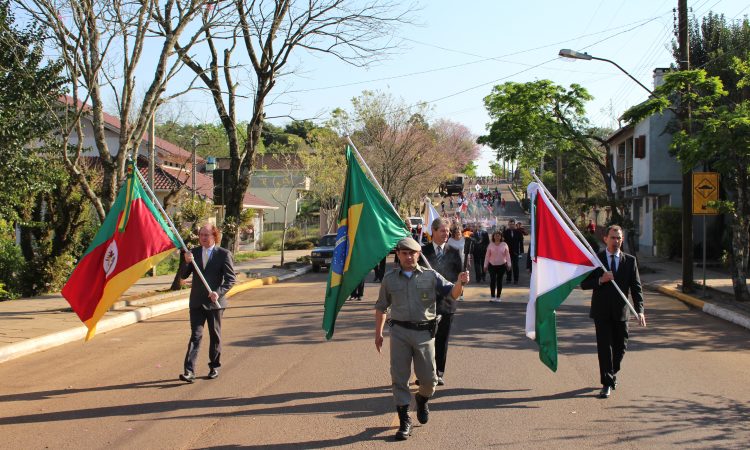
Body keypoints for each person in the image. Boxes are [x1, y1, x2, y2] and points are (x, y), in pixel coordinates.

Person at [375, 237, 469, 440]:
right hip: (399, 332)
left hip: (424, 334)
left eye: (412, 253)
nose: (408, 257)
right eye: (404, 253)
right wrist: (378, 333)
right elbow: (381, 306)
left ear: (418, 254)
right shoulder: (389, 279)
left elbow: (452, 293)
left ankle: (422, 398)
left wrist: (460, 282)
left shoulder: (430, 276)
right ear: (398, 255)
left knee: (429, 380)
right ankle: (404, 421)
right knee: (399, 378)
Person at [580, 225, 646, 399]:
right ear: (605, 239)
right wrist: (601, 279)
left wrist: (640, 310)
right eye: (613, 237)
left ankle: (611, 372)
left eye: (618, 238)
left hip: (621, 312)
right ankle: (606, 383)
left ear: (622, 240)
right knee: (604, 349)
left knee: (620, 347)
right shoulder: (597, 260)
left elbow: (636, 288)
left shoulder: (630, 261)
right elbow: (584, 283)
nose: (616, 241)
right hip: (601, 312)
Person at [179, 224, 236, 383]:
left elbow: (231, 280)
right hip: (196, 302)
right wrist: (186, 261)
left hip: (215, 303)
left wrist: (218, 292)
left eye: (206, 235)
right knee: (195, 336)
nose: (203, 237)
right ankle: (189, 371)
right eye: (201, 234)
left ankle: (214, 366)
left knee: (214, 335)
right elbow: (183, 274)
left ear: (214, 236)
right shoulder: (193, 253)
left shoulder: (223, 254)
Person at [421, 218, 462, 386]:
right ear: (434, 231)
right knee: (424, 341)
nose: (446, 234)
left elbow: (458, 278)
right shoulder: (422, 252)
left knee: (441, 339)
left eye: (447, 231)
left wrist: (462, 281)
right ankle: (424, 373)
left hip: (447, 303)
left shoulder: (454, 252)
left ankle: (438, 372)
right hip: (425, 304)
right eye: (442, 231)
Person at [483, 231, 511, 302]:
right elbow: (487, 256)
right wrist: (485, 265)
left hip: (502, 265)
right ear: (493, 237)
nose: (497, 237)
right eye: (496, 235)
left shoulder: (504, 244)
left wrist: (509, 264)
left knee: (499, 281)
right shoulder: (490, 245)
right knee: (492, 280)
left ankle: (498, 297)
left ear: (501, 237)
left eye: (499, 235)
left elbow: (508, 255)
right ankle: (492, 296)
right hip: (492, 265)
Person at [503, 219, 524, 285]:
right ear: (508, 225)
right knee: (508, 266)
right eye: (510, 224)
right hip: (507, 252)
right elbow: (503, 243)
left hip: (516, 252)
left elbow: (521, 242)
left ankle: (516, 280)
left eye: (512, 224)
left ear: (514, 225)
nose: (511, 226)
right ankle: (508, 279)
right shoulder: (505, 232)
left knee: (515, 266)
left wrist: (521, 252)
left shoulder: (518, 232)